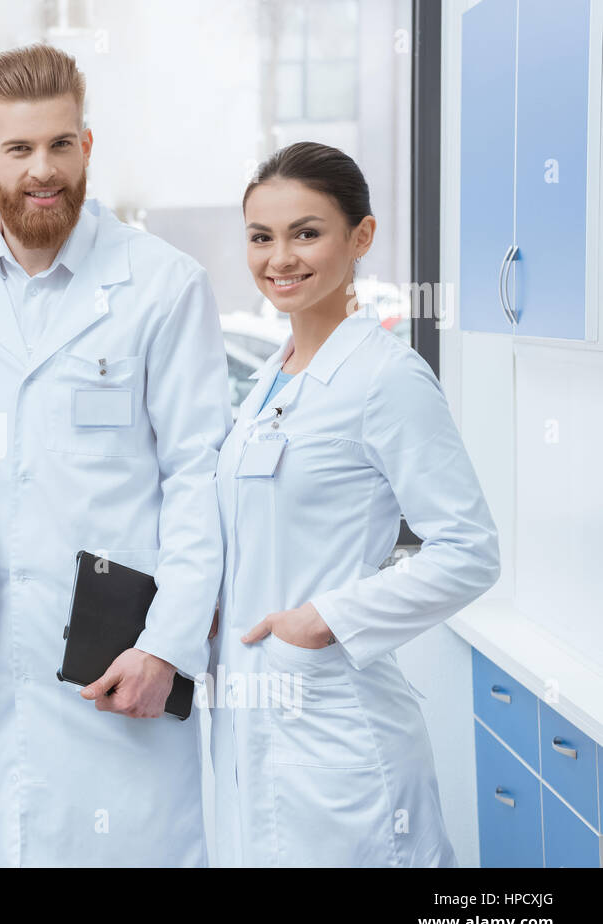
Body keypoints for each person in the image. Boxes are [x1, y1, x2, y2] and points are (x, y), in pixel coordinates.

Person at [0, 44, 231, 867]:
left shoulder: (165, 285)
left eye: (59, 144)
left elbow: (199, 478)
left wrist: (169, 645)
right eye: (18, 149)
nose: (41, 169)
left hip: (119, 671)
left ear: (87, 145)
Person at [211, 141, 500, 866]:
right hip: (257, 719)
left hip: (340, 729)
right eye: (261, 236)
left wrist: (323, 619)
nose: (280, 258)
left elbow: (469, 551)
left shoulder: (386, 378)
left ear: (361, 237)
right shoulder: (271, 381)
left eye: (306, 233)